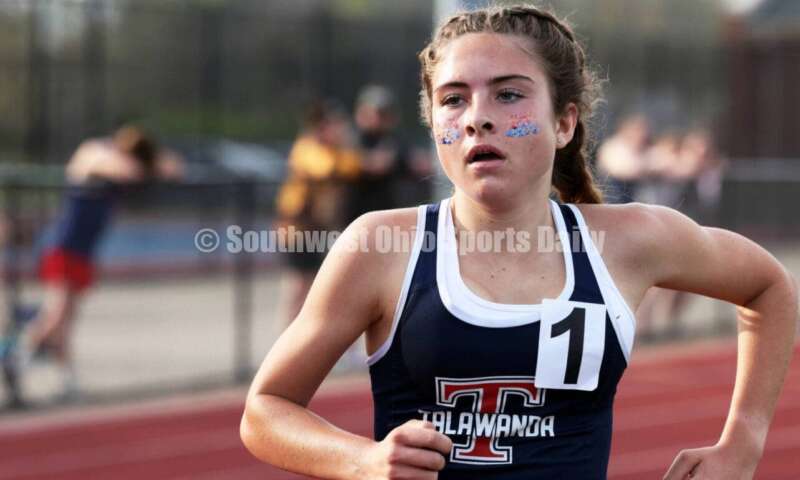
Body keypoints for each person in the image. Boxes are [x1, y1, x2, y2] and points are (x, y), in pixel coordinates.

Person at [241, 5, 798, 479]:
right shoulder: (382, 246)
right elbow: (265, 410)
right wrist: (362, 461)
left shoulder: (629, 242)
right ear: (434, 122)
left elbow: (769, 287)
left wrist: (743, 442)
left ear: (564, 123)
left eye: (508, 94)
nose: (478, 118)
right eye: (454, 99)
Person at [3, 125, 183, 402]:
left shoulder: (125, 160)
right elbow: (124, 170)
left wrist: (152, 157)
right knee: (56, 314)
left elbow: (174, 168)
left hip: (84, 254)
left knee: (67, 321)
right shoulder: (92, 153)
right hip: (63, 248)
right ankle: (14, 358)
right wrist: (137, 161)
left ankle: (66, 381)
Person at [274, 100, 362, 326]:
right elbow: (327, 168)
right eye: (333, 126)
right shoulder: (306, 147)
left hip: (318, 228)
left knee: (317, 286)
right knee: (298, 286)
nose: (338, 131)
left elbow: (353, 167)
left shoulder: (336, 151)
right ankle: (285, 336)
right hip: (297, 228)